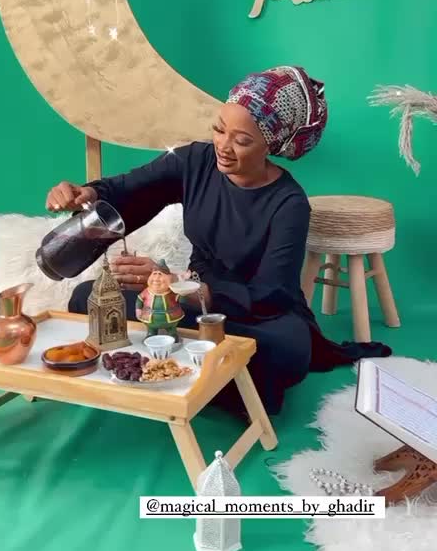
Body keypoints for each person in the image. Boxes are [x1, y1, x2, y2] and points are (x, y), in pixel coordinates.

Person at [45, 66, 391, 416]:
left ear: (271, 144)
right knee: (87, 298)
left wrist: (182, 287)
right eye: (219, 129)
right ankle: (202, 374)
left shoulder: (289, 203)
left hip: (258, 315)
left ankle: (169, 367)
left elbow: (272, 292)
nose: (223, 146)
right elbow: (133, 187)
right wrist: (88, 193)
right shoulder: (195, 160)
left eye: (242, 140)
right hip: (193, 306)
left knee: (286, 351)